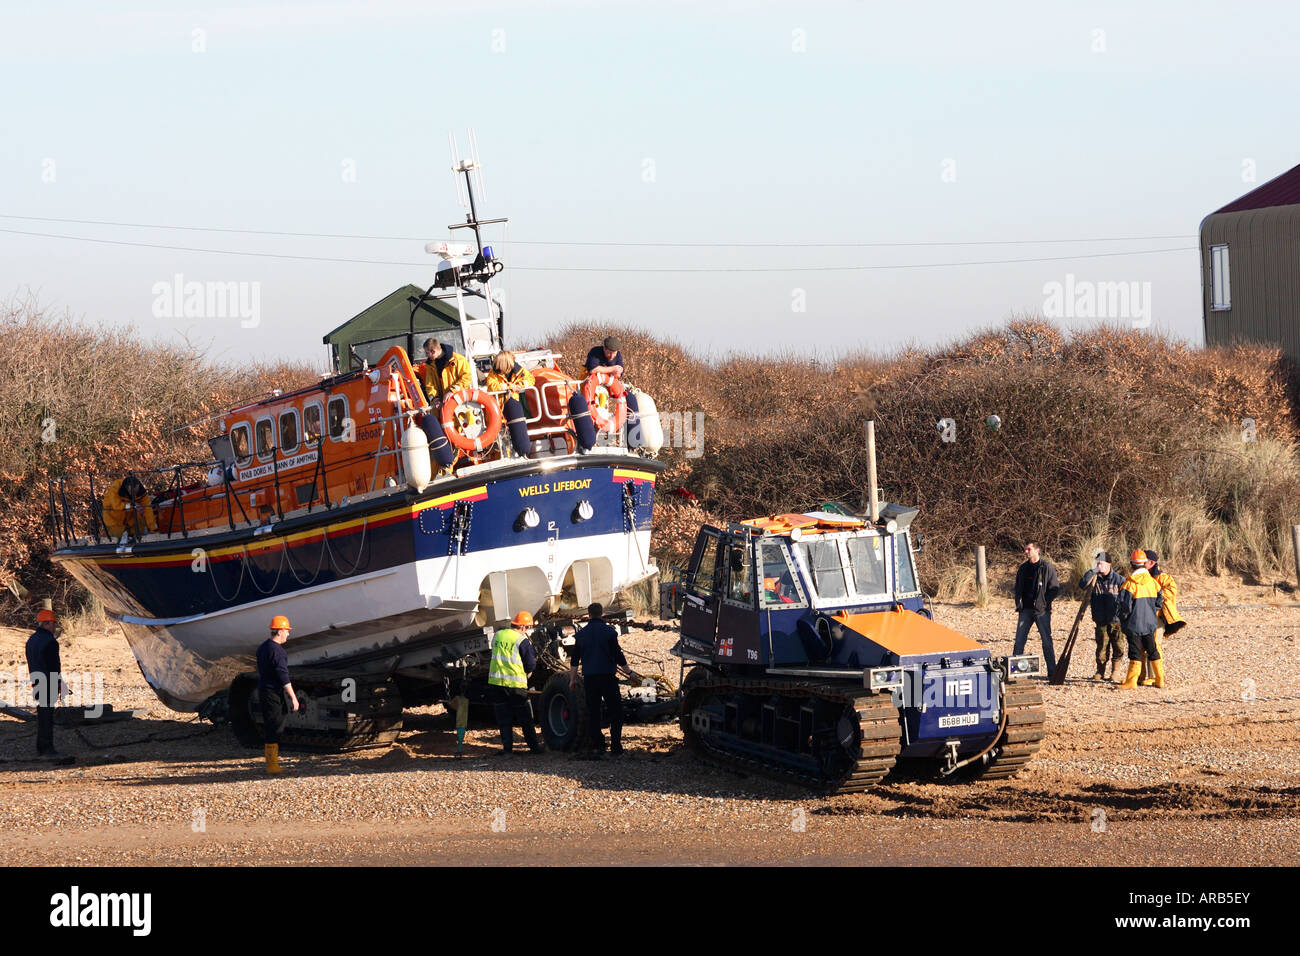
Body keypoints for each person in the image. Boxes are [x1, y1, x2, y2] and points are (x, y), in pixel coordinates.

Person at [569, 603, 628, 758]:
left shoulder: (582, 635)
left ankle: (599, 746)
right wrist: (630, 672)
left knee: (593, 712)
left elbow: (574, 660)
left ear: (588, 615)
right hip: (608, 678)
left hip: (590, 680)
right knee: (616, 712)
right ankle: (616, 746)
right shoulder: (609, 632)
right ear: (602, 614)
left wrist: (572, 679)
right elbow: (618, 655)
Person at [487, 611, 544, 754]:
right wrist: (527, 675)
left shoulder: (498, 635)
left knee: (503, 718)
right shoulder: (522, 640)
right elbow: (530, 664)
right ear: (523, 627)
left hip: (496, 683)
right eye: (528, 628)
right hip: (515, 685)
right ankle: (534, 748)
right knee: (525, 718)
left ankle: (507, 750)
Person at [418, 338, 473, 468]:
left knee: (457, 436)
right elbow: (430, 385)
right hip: (440, 408)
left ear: (434, 350)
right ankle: (445, 467)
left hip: (458, 407)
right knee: (441, 438)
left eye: (427, 353)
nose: (426, 356)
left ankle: (449, 466)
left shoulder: (458, 360)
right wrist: (435, 399)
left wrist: (453, 391)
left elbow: (467, 378)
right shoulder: (430, 365)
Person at [256, 614, 301, 774]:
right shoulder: (278, 651)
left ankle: (271, 763)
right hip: (273, 692)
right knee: (276, 726)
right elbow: (283, 676)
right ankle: (272, 765)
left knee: (271, 724)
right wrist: (294, 698)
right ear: (280, 631)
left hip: (264, 690)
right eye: (287, 631)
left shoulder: (263, 647)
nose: (288, 634)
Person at [1116, 549, 1164, 689]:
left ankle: (1131, 681)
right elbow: (1159, 601)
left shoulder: (1129, 584)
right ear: (1144, 564)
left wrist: (1123, 620)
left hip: (1133, 625)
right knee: (1152, 650)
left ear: (1132, 564)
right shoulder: (1153, 583)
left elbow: (1125, 607)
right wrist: (1151, 612)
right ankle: (1160, 679)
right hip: (1150, 623)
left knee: (1135, 652)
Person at [1013, 541, 1060, 675]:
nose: (1026, 552)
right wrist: (1018, 602)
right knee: (1019, 641)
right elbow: (1017, 587)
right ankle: (1014, 673)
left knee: (1046, 642)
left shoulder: (1046, 567)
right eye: (1025, 549)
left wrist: (1044, 603)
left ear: (1037, 550)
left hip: (1042, 612)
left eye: (1028, 549)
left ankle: (1052, 673)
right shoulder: (1023, 568)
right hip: (1025, 610)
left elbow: (1054, 588)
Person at [584, 335, 640, 445]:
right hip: (589, 384)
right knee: (596, 402)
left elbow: (619, 373)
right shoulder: (595, 352)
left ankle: (633, 442)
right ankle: (591, 438)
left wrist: (609, 371)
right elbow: (593, 369)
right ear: (604, 348)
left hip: (608, 386)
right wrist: (612, 369)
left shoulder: (617, 355)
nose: (612, 356)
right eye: (609, 352)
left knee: (631, 399)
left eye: (614, 353)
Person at [25, 608, 66, 758]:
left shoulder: (31, 640)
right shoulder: (50, 642)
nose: (54, 627)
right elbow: (54, 665)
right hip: (49, 682)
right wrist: (59, 683)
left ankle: (41, 747)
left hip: (36, 681)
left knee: (42, 715)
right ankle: (47, 748)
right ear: (46, 624)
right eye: (53, 624)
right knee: (47, 717)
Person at [1080, 551, 1125, 680]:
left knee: (1118, 646)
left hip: (1116, 620)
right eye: (1097, 563)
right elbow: (1082, 585)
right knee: (1101, 648)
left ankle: (1115, 671)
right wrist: (1093, 571)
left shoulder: (1119, 580)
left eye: (1102, 563)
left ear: (1109, 564)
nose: (1099, 566)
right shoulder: (1094, 578)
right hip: (1100, 619)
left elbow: (1126, 599)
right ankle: (1100, 671)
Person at [1143, 549, 1185, 686]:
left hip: (1157, 617)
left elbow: (1171, 591)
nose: (1141, 563)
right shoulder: (1139, 576)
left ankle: (1155, 677)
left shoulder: (1164, 578)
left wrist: (1154, 594)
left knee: (1154, 644)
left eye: (1144, 561)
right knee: (1140, 645)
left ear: (1151, 562)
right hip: (1142, 616)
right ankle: (1141, 676)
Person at [485, 350, 534, 458]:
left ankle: (522, 453)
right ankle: (504, 456)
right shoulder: (493, 374)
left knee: (518, 430)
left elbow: (530, 379)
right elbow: (492, 386)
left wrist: (521, 385)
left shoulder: (519, 370)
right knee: (501, 436)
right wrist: (509, 386)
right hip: (499, 409)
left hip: (514, 407)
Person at [101, 475, 156, 539]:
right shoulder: (116, 487)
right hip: (113, 515)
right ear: (126, 488)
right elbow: (116, 506)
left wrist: (153, 529)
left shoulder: (142, 493)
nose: (134, 494)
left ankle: (138, 540)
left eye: (136, 492)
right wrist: (132, 506)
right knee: (117, 535)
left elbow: (148, 510)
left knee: (139, 527)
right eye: (132, 492)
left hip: (130, 514)